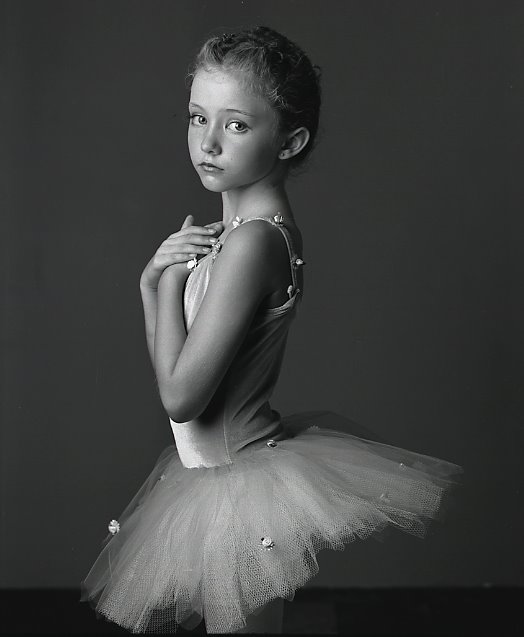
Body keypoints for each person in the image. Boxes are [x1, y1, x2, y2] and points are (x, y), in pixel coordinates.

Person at [80, 26, 463, 634]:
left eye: (235, 125)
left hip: (239, 486)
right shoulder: (234, 238)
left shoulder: (253, 243)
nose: (207, 142)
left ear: (291, 141)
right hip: (212, 480)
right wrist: (152, 286)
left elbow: (180, 398)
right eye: (197, 117)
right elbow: (175, 372)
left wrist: (170, 284)